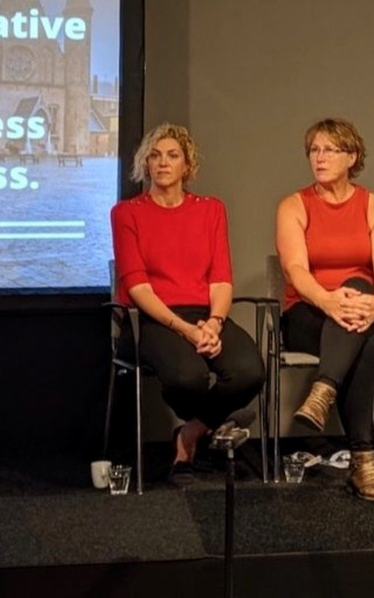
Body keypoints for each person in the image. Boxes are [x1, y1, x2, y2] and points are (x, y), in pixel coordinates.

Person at [110, 123, 265, 486]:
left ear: (187, 165)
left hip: (205, 316)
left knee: (249, 371)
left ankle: (191, 433)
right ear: (145, 164)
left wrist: (214, 323)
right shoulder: (126, 213)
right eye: (154, 156)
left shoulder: (211, 209)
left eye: (172, 155)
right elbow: (137, 287)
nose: (162, 163)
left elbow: (221, 278)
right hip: (150, 319)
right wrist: (186, 330)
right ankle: (209, 435)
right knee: (188, 377)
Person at [275, 118, 374, 502]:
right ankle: (365, 463)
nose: (320, 157)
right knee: (361, 339)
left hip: (367, 309)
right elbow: (294, 270)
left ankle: (324, 389)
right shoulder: (294, 206)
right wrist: (328, 300)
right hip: (308, 313)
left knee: (360, 293)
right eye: (314, 150)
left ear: (352, 156)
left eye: (329, 150)